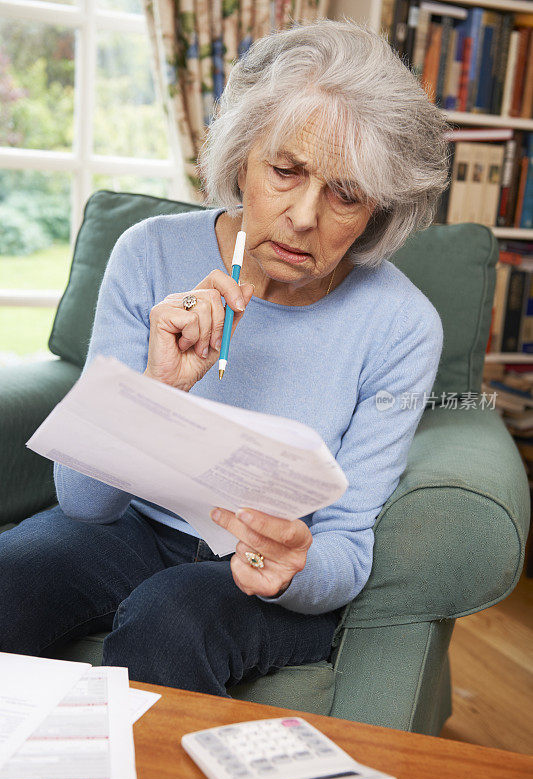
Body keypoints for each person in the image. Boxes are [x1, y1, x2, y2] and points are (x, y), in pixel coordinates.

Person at [0, 18, 448, 696]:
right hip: (133, 527)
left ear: (379, 210)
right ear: (243, 156)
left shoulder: (401, 325)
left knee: (168, 620)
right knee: (12, 575)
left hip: (277, 566)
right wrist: (154, 391)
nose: (303, 216)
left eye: (345, 194)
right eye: (286, 171)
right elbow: (85, 504)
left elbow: (346, 548)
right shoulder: (149, 253)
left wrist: (296, 564)